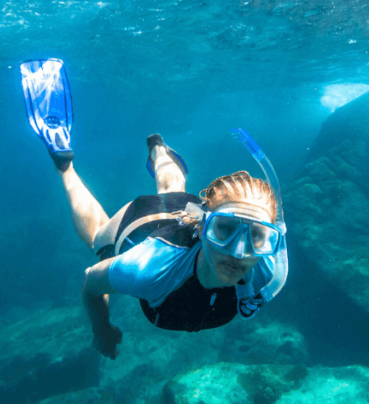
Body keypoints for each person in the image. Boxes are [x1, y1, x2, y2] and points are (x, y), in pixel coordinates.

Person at [20, 59, 288, 359]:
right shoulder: (148, 267)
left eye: (257, 236)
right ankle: (64, 165)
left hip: (185, 208)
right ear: (201, 227)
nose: (239, 251)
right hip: (140, 223)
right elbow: (91, 282)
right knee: (98, 238)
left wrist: (224, 227)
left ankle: (160, 149)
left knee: (173, 193)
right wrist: (102, 328)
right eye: (224, 230)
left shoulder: (269, 268)